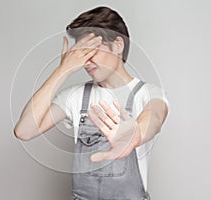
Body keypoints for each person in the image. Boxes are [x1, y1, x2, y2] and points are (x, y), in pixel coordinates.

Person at [14, 6, 169, 200]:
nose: (86, 61)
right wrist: (63, 69)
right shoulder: (75, 96)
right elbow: (24, 130)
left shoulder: (148, 93)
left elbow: (154, 117)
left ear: (118, 45)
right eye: (80, 53)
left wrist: (135, 136)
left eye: (92, 50)